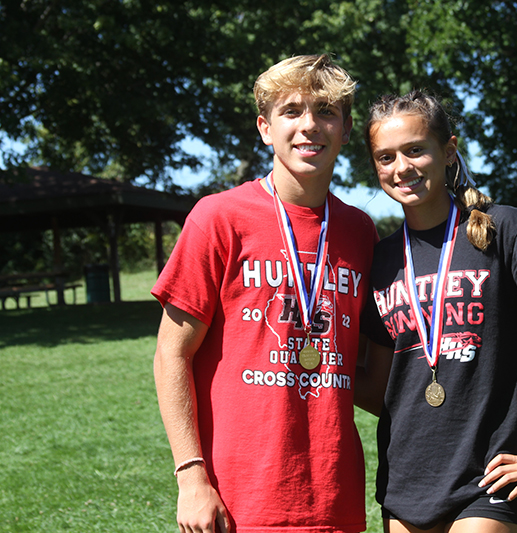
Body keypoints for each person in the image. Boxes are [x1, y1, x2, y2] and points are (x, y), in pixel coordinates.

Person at [358, 90, 517, 533]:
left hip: (488, 478)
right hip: (406, 480)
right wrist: (312, 364)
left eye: (416, 150)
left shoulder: (504, 230)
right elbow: (382, 390)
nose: (401, 167)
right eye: (385, 157)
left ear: (449, 151)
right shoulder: (382, 260)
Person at [152, 54, 377, 533]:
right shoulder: (218, 218)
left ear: (346, 128)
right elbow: (172, 354)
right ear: (264, 128)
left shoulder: (361, 231)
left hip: (335, 496)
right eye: (291, 111)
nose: (308, 126)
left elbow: (373, 369)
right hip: (237, 501)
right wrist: (191, 478)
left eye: (326, 111)